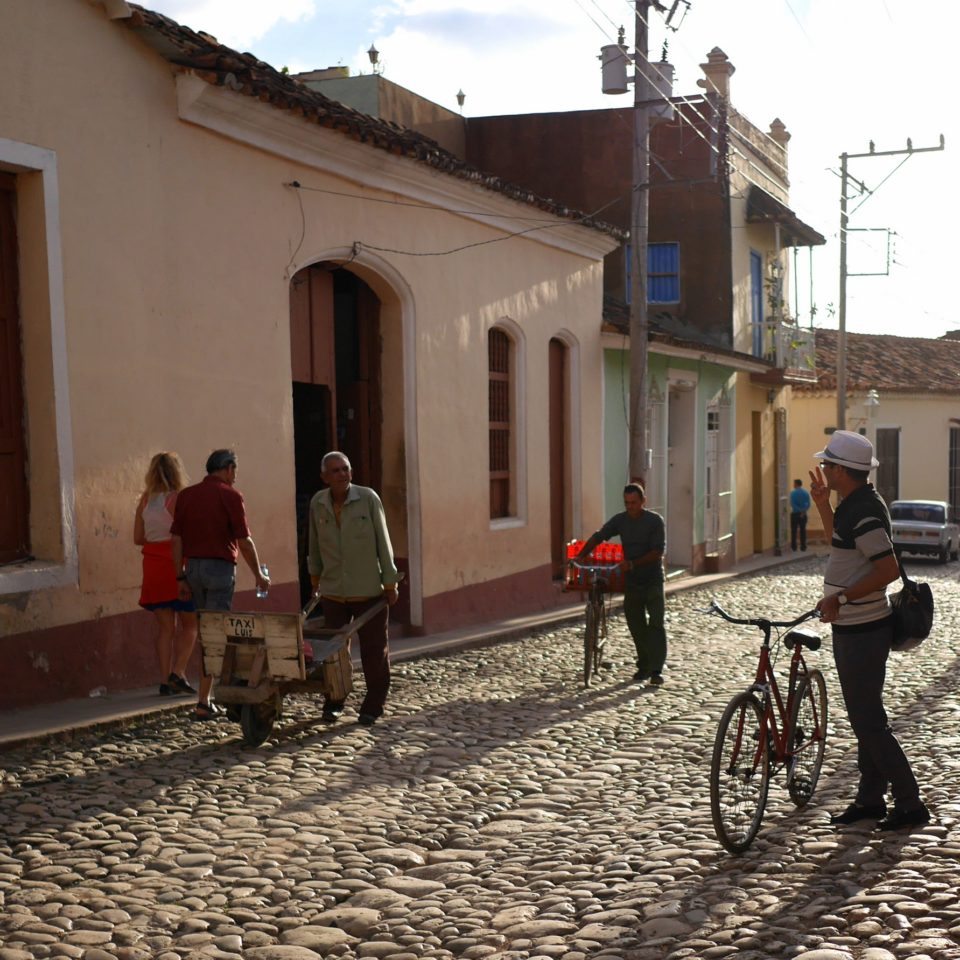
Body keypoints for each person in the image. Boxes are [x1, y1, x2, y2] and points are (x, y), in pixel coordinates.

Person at [809, 430, 929, 831]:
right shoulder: (852, 506)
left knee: (869, 721)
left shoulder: (864, 511)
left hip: (862, 628)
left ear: (843, 470)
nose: (824, 469)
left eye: (828, 464)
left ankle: (910, 803)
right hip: (853, 626)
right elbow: (839, 545)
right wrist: (823, 505)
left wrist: (839, 600)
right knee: (865, 718)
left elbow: (887, 568)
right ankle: (870, 799)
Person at [171, 448, 270, 721]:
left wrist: (180, 576)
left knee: (206, 633)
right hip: (219, 569)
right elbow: (244, 541)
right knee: (217, 636)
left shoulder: (186, 496)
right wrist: (259, 575)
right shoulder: (231, 496)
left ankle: (207, 697)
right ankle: (206, 700)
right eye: (234, 470)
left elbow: (176, 539)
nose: (235, 477)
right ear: (227, 468)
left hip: (193, 569)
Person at [307, 451, 399, 726]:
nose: (341, 475)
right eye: (335, 471)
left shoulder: (368, 499)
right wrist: (315, 580)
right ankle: (335, 700)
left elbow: (383, 542)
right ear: (324, 477)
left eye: (345, 469)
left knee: (374, 650)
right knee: (333, 652)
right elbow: (313, 543)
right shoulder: (318, 503)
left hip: (368, 589)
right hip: (334, 590)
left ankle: (373, 704)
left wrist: (390, 582)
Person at [577, 482, 666, 686]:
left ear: (643, 501)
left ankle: (656, 669)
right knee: (635, 624)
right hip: (632, 582)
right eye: (627, 503)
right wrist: (582, 555)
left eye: (634, 502)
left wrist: (633, 563)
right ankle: (643, 665)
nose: (630, 507)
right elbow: (601, 535)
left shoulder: (654, 521)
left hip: (652, 579)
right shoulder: (621, 520)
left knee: (656, 623)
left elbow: (657, 551)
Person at [134, 452, 197, 697]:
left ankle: (163, 680)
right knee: (190, 625)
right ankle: (178, 672)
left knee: (165, 629)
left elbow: (138, 538)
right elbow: (188, 535)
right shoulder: (178, 499)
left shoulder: (145, 500)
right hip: (177, 565)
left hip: (152, 567)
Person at [789, 477, 811, 552]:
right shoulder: (805, 493)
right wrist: (803, 511)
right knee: (803, 530)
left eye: (794, 483)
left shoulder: (793, 493)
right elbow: (808, 504)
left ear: (796, 484)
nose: (793, 485)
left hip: (795, 514)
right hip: (803, 514)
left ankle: (794, 547)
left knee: (794, 531)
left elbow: (792, 504)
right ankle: (803, 546)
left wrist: (798, 510)